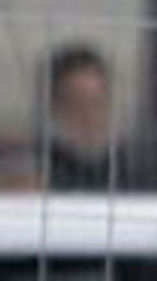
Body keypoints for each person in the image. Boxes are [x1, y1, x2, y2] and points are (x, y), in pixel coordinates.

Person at [42, 42, 123, 190]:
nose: (88, 116)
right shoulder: (39, 168)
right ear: (53, 107)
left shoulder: (130, 168)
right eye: (76, 103)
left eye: (96, 102)